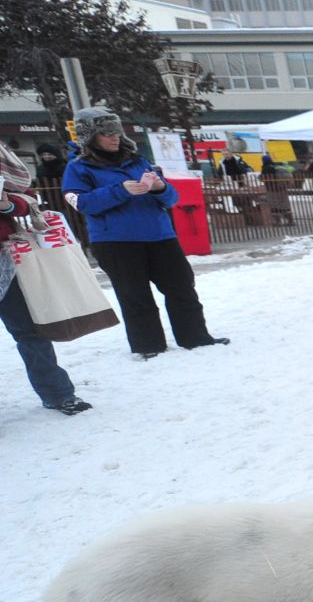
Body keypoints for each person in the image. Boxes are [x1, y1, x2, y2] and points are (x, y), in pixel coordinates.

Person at [61, 108, 227, 359]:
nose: (114, 137)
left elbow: (171, 198)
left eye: (116, 131)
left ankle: (195, 338)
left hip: (160, 236)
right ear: (90, 137)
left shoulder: (138, 161)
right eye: (106, 132)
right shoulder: (78, 168)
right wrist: (121, 190)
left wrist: (160, 188)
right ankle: (149, 346)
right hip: (116, 242)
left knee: (182, 287)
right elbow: (81, 203)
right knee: (135, 295)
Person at [0, 143, 88, 414]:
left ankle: (57, 393)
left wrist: (6, 204)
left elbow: (29, 199)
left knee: (28, 330)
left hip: (4, 260)